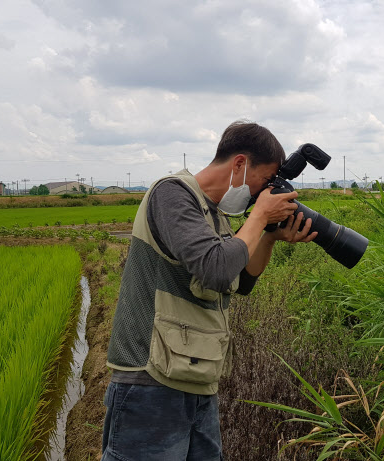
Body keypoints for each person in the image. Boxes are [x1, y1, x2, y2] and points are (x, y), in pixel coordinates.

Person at [101, 121, 317, 460]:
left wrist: (269, 236)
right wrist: (259, 217)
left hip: (197, 379)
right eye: (265, 182)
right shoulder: (171, 194)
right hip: (151, 382)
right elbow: (214, 268)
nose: (264, 194)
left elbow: (241, 280)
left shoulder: (215, 216)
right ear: (240, 164)